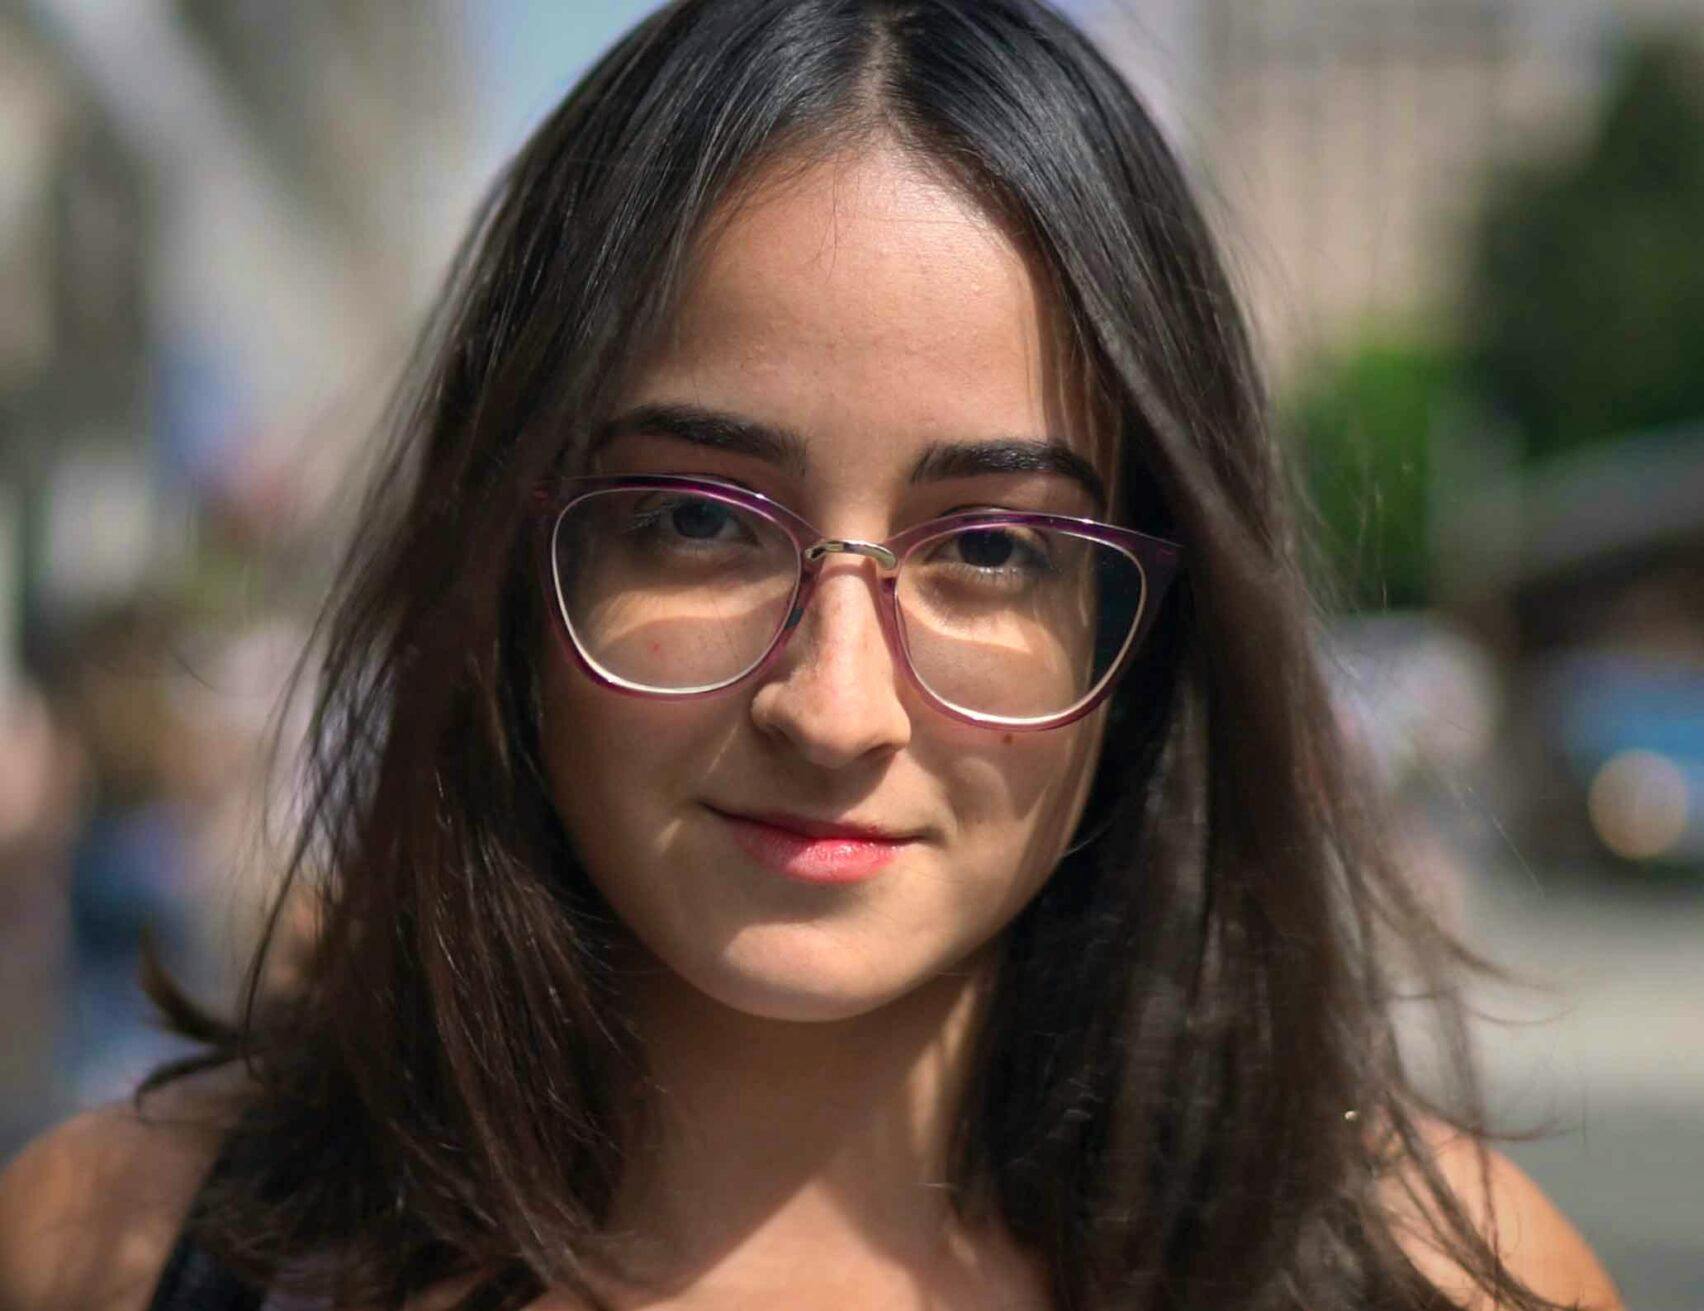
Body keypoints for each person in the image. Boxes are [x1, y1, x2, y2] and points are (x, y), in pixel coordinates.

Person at [0, 4, 1620, 1308]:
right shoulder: (118, 1249)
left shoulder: (1442, 1272)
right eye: (701, 523)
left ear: (1152, 635)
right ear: (505, 552)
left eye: (994, 548)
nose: (835, 707)